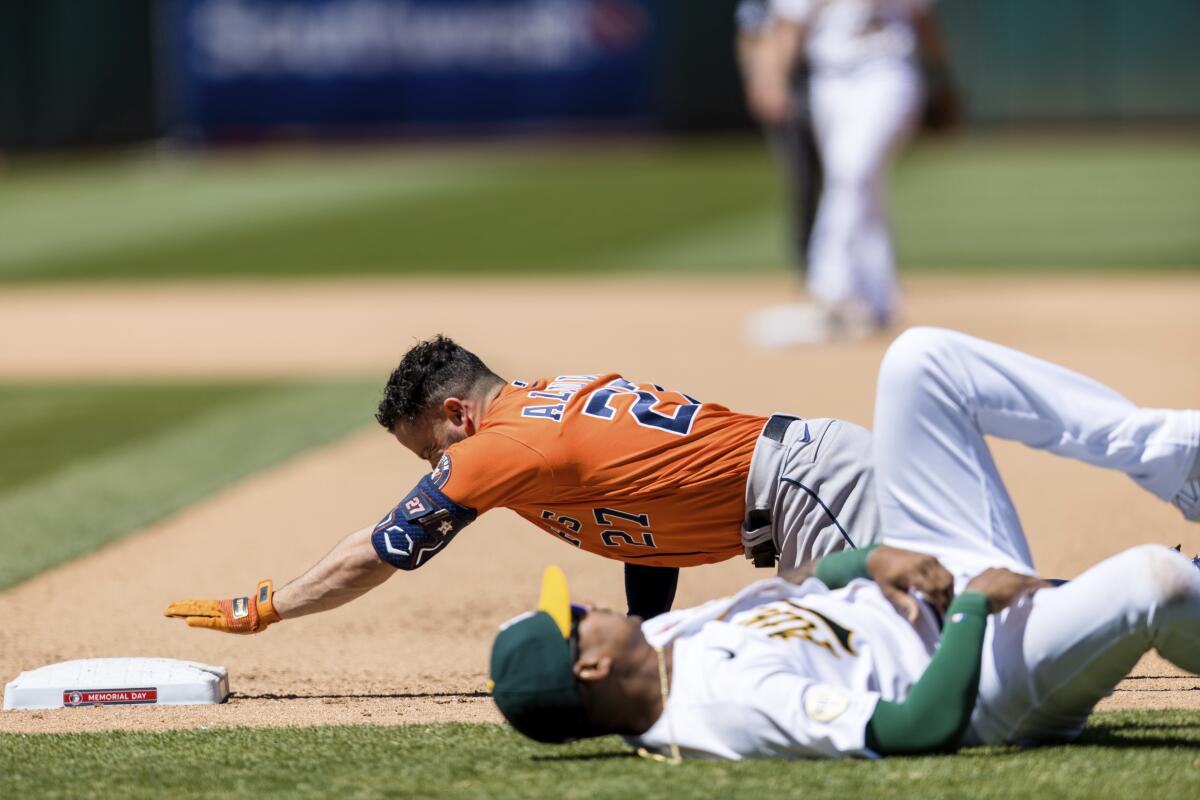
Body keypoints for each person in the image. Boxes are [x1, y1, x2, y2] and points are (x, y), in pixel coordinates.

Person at [163, 328, 1199, 633]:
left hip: (813, 492)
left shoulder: (496, 443)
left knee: (973, 635)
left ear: (456, 414)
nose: (441, 472)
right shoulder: (551, 402)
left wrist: (270, 605)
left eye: (431, 451)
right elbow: (640, 531)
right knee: (962, 619)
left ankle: (1168, 588)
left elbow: (385, 547)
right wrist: (644, 627)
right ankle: (1169, 586)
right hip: (809, 480)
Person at [489, 544, 1200, 758]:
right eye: (576, 619)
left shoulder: (663, 640)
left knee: (923, 363)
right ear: (590, 667)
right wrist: (975, 609)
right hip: (983, 675)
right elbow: (916, 728)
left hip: (922, 593)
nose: (588, 604)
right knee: (1153, 581)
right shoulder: (727, 708)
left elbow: (787, 587)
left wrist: (866, 561)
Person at [744, 0, 957, 346]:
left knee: (851, 172)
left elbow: (923, 19)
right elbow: (788, 26)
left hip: (888, 74)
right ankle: (879, 300)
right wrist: (772, 79)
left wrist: (941, 75)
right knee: (863, 188)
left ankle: (829, 288)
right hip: (829, 82)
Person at [735, 0, 822, 284]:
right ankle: (808, 261)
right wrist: (763, 81)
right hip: (792, 85)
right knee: (803, 177)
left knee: (847, 176)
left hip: (831, 78)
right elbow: (750, 36)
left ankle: (850, 263)